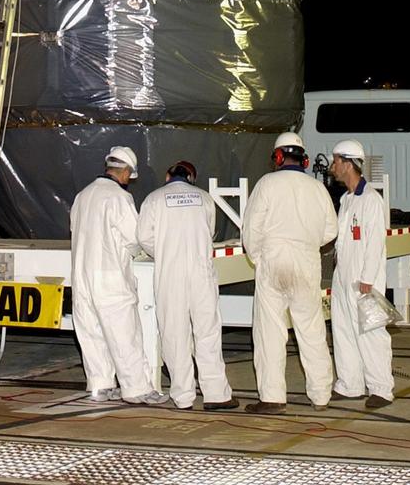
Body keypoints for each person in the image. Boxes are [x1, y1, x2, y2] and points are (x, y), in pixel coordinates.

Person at [241, 131, 337, 414]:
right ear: (303, 158)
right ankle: (321, 395)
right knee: (312, 330)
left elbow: (251, 230)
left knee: (270, 332)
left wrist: (259, 258)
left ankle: (272, 397)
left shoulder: (267, 184)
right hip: (306, 261)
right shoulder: (317, 188)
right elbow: (331, 230)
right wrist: (307, 243)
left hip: (273, 260)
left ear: (279, 156)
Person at [70, 146, 167, 406]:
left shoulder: (83, 195)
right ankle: (136, 389)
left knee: (92, 333)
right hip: (111, 278)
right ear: (125, 172)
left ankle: (100, 386)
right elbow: (135, 239)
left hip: (82, 277)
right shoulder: (119, 199)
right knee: (125, 333)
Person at [137, 160, 236, 411]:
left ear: (168, 175)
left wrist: (164, 251)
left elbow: (144, 238)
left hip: (170, 273)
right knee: (207, 332)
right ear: (192, 178)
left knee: (174, 333)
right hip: (201, 273)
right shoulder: (204, 199)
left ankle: (183, 396)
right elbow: (210, 232)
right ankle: (216, 394)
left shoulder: (154, 199)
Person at [329, 139, 394, 409]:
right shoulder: (346, 200)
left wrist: (367, 279)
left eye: (335, 162)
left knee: (372, 333)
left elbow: (375, 243)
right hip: (343, 277)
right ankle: (350, 384)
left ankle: (381, 388)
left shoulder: (371, 200)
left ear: (347, 163)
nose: (332, 167)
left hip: (365, 281)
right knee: (343, 331)